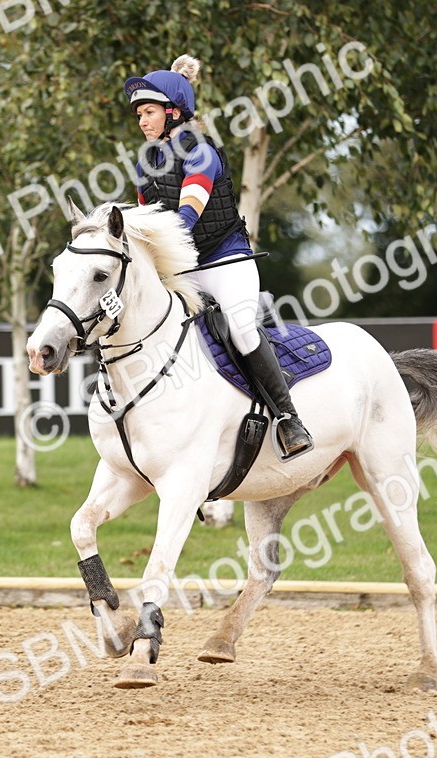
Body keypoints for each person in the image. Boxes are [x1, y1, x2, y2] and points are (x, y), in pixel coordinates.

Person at [124, 55, 313, 461]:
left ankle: (288, 418)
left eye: (150, 111)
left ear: (174, 112)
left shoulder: (201, 152)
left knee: (243, 329)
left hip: (226, 261)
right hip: (185, 269)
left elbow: (186, 216)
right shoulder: (145, 164)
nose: (142, 120)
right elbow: (145, 223)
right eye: (139, 113)